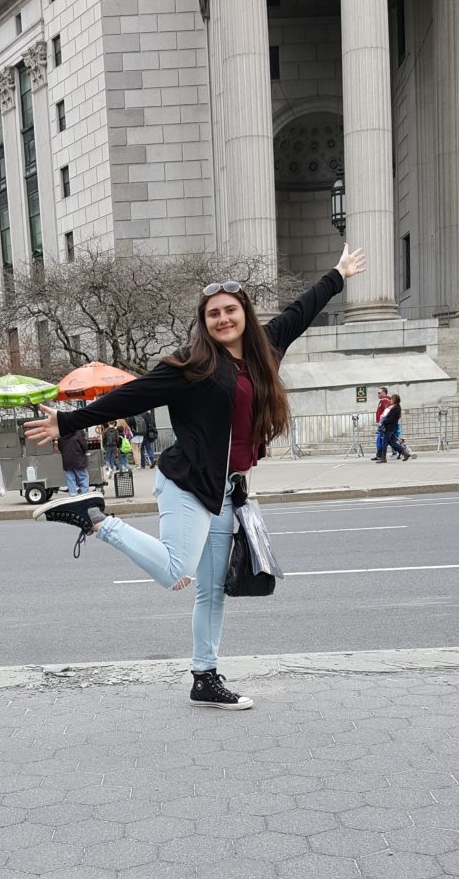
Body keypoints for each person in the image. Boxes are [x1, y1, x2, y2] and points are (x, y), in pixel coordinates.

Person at [24, 244, 367, 711]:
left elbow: (300, 310)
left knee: (211, 591)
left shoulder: (265, 349)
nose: (223, 319)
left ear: (243, 311)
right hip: (188, 483)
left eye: (229, 310)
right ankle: (96, 519)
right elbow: (134, 396)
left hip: (227, 490)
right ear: (203, 322)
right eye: (213, 315)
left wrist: (339, 274)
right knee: (174, 571)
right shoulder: (193, 365)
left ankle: (204, 677)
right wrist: (68, 422)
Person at [375, 393, 409, 462]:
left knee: (385, 442)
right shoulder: (396, 407)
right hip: (393, 428)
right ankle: (405, 452)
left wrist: (383, 421)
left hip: (390, 428)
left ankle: (383, 458)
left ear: (395, 400)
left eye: (392, 399)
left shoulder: (395, 408)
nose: (391, 400)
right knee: (393, 442)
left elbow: (391, 419)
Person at [59, 429, 89, 495]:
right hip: (78, 460)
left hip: (67, 461)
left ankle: (72, 494)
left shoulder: (61, 435)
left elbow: (60, 448)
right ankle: (84, 493)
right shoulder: (78, 433)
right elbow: (85, 446)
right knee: (83, 477)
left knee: (70, 478)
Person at [371, 387, 391, 461]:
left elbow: (386, 410)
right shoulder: (382, 401)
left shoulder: (385, 400)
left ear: (384, 393)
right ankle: (379, 455)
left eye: (379, 393)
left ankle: (402, 451)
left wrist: (382, 421)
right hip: (381, 423)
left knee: (380, 440)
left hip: (382, 424)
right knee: (386, 440)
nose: (378, 394)